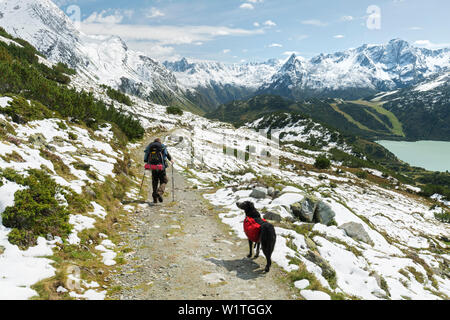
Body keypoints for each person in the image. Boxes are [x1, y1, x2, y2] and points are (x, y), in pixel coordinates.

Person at [144, 138, 174, 203]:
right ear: (160, 142)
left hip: (153, 167)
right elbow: (166, 154)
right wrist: (171, 159)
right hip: (161, 167)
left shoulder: (150, 146)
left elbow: (145, 158)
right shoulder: (162, 146)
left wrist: (148, 162)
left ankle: (154, 197)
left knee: (154, 181)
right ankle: (159, 192)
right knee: (164, 180)